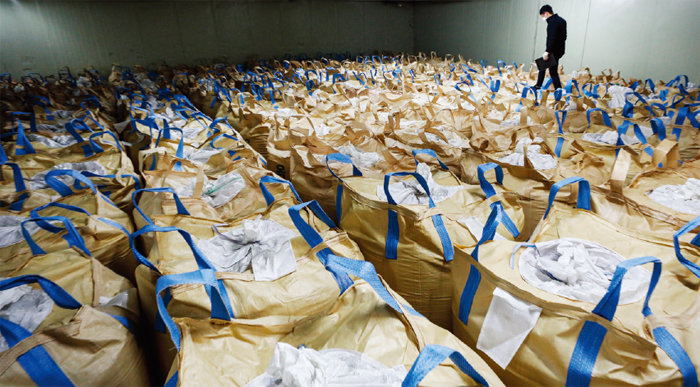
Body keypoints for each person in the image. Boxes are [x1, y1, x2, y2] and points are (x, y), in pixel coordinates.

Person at [534, 5, 567, 90]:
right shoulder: (562, 21)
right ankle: (557, 89)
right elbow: (564, 37)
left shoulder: (552, 22)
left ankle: (539, 86)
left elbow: (552, 37)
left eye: (542, 16)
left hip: (553, 50)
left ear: (546, 13)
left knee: (545, 66)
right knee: (549, 69)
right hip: (560, 50)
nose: (543, 18)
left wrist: (547, 51)